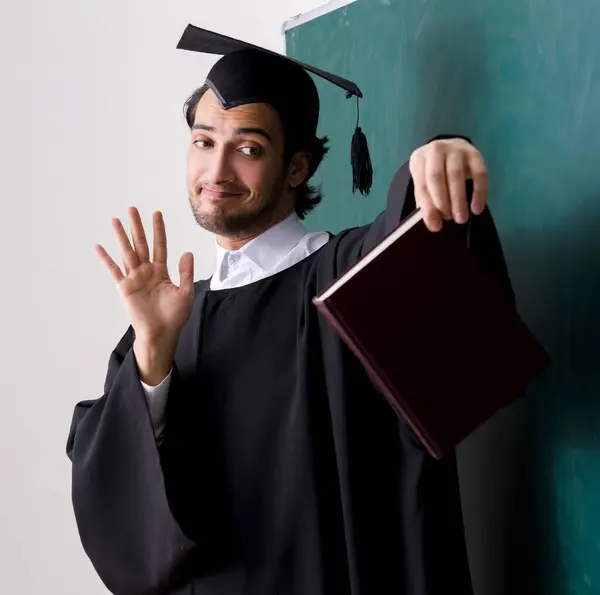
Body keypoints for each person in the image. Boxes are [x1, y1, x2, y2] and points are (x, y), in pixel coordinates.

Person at [66, 24, 514, 595]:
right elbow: (124, 514)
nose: (218, 171)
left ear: (297, 168)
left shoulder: (348, 276)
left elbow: (424, 229)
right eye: (204, 142)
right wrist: (153, 355)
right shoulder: (171, 317)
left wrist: (440, 156)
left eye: (248, 148)